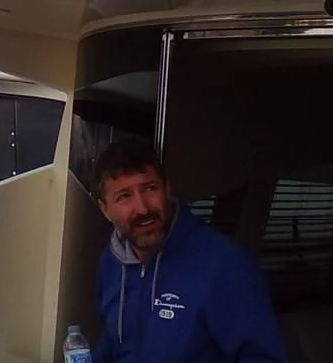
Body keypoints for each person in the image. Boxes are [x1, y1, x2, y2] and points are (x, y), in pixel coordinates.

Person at [92, 135, 287, 362]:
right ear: (105, 209)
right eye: (124, 196)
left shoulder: (225, 265)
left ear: (167, 189)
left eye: (149, 188)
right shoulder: (110, 264)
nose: (142, 208)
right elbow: (115, 341)